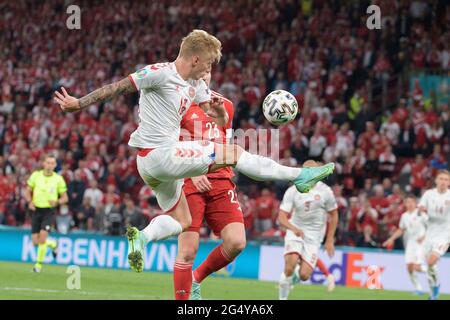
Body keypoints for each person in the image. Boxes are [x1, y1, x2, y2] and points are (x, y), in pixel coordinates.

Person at [54, 29, 335, 274]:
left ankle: (141, 237)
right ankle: (299, 176)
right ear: (196, 59)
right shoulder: (159, 73)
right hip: (160, 155)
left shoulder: (195, 86)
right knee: (234, 154)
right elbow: (116, 88)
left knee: (182, 221)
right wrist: (78, 104)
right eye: (209, 63)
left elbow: (213, 116)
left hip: (150, 165)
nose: (210, 71)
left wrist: (220, 117)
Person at [174, 71, 245, 300]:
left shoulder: (226, 104)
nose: (204, 75)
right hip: (189, 179)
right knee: (187, 251)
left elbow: (226, 142)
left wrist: (222, 117)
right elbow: (169, 146)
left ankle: (196, 278)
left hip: (221, 179)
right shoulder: (178, 102)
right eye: (201, 71)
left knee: (237, 242)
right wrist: (192, 172)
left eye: (208, 71)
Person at [277, 160, 338, 300]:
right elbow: (281, 217)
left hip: (314, 237)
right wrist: (293, 228)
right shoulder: (292, 190)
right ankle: (282, 298)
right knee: (289, 265)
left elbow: (334, 214)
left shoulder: (326, 191)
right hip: (295, 230)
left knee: (304, 275)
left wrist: (329, 240)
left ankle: (293, 277)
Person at [24, 154, 68, 273]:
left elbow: (65, 198)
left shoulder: (58, 179)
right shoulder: (36, 176)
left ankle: (38, 266)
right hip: (36, 210)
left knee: (42, 238)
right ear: (43, 163)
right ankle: (53, 244)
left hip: (49, 211)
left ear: (55, 165)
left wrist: (57, 201)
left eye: (52, 163)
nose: (49, 165)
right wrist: (29, 202)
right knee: (35, 241)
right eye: (47, 162)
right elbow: (27, 191)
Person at [382, 195, 428, 295]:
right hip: (411, 243)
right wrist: (391, 239)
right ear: (405, 204)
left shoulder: (421, 214)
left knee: (417, 266)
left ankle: (432, 271)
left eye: (412, 202)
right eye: (408, 202)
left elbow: (431, 227)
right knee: (409, 268)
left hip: (421, 243)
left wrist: (424, 237)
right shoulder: (404, 216)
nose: (410, 204)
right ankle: (419, 289)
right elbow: (401, 229)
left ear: (416, 203)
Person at [417, 170, 450, 300]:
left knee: (431, 261)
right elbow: (420, 211)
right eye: (441, 179)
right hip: (429, 235)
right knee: (431, 266)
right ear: (436, 181)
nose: (443, 182)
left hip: (445, 235)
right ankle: (433, 290)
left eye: (446, 180)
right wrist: (424, 214)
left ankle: (435, 288)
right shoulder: (428, 194)